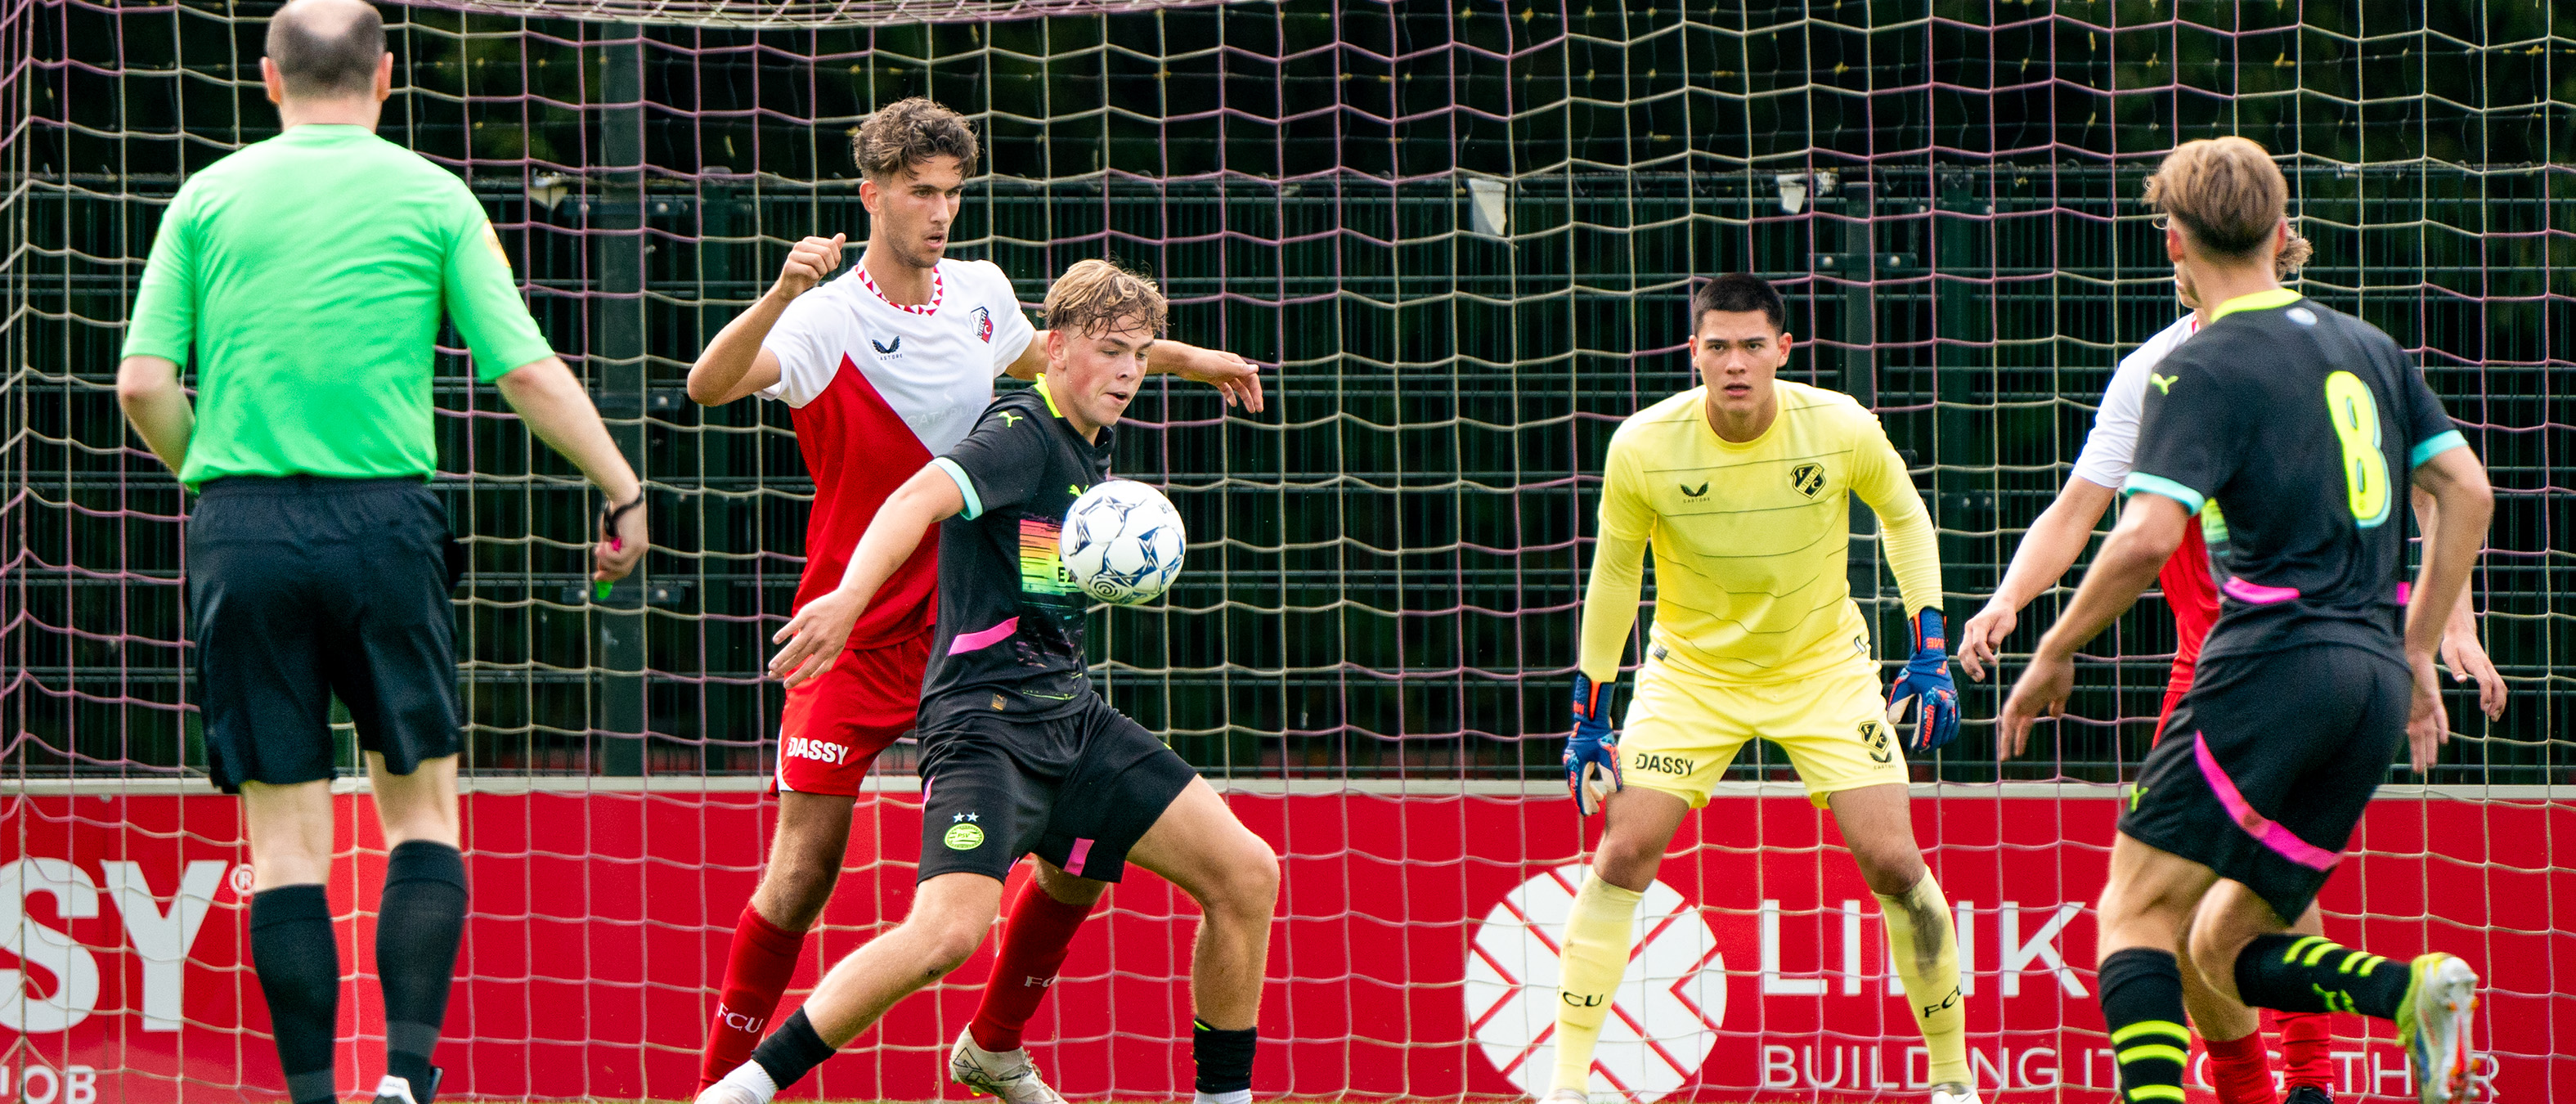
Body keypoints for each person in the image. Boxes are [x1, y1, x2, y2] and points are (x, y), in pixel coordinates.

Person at [112, 2, 648, 1102]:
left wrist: (211, 476)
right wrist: (620, 484)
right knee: (419, 814)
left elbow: (142, 383)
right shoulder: (430, 194)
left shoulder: (208, 196)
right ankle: (404, 1077)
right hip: (383, 530)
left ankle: (315, 1093)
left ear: (267, 79)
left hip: (242, 530)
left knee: (287, 845)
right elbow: (525, 369)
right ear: (387, 75)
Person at [683, 98, 1263, 1102]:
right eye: (921, 192)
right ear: (872, 196)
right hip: (854, 623)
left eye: (954, 193)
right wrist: (779, 294)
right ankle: (722, 1083)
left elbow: (1072, 354)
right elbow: (707, 385)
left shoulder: (983, 295)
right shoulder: (827, 319)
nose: (942, 212)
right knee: (804, 875)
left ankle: (994, 1043)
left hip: (989, 622)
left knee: (1081, 859)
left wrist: (1189, 358)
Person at [1957, 236, 2508, 1104]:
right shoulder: (2355, 348)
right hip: (2344, 666)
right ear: (2275, 234)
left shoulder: (2197, 369)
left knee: (2145, 909)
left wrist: (2052, 643)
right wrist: (2008, 600)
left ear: (2179, 244)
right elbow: (2448, 492)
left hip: (2251, 663)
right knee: (2223, 925)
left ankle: (2306, 1085)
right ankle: (2343, 1042)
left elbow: (2135, 535)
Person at [1552, 274, 1977, 1104]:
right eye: (1718, 346)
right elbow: (1614, 578)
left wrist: (1930, 650)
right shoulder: (1643, 446)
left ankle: (1955, 1081)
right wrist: (1589, 711)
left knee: (1894, 861)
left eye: (1753, 346)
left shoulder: (1839, 426)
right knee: (1623, 852)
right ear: (1694, 354)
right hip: (1693, 675)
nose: (1735, 363)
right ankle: (1567, 1085)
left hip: (1822, 665)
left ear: (1784, 351)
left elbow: (1905, 516)